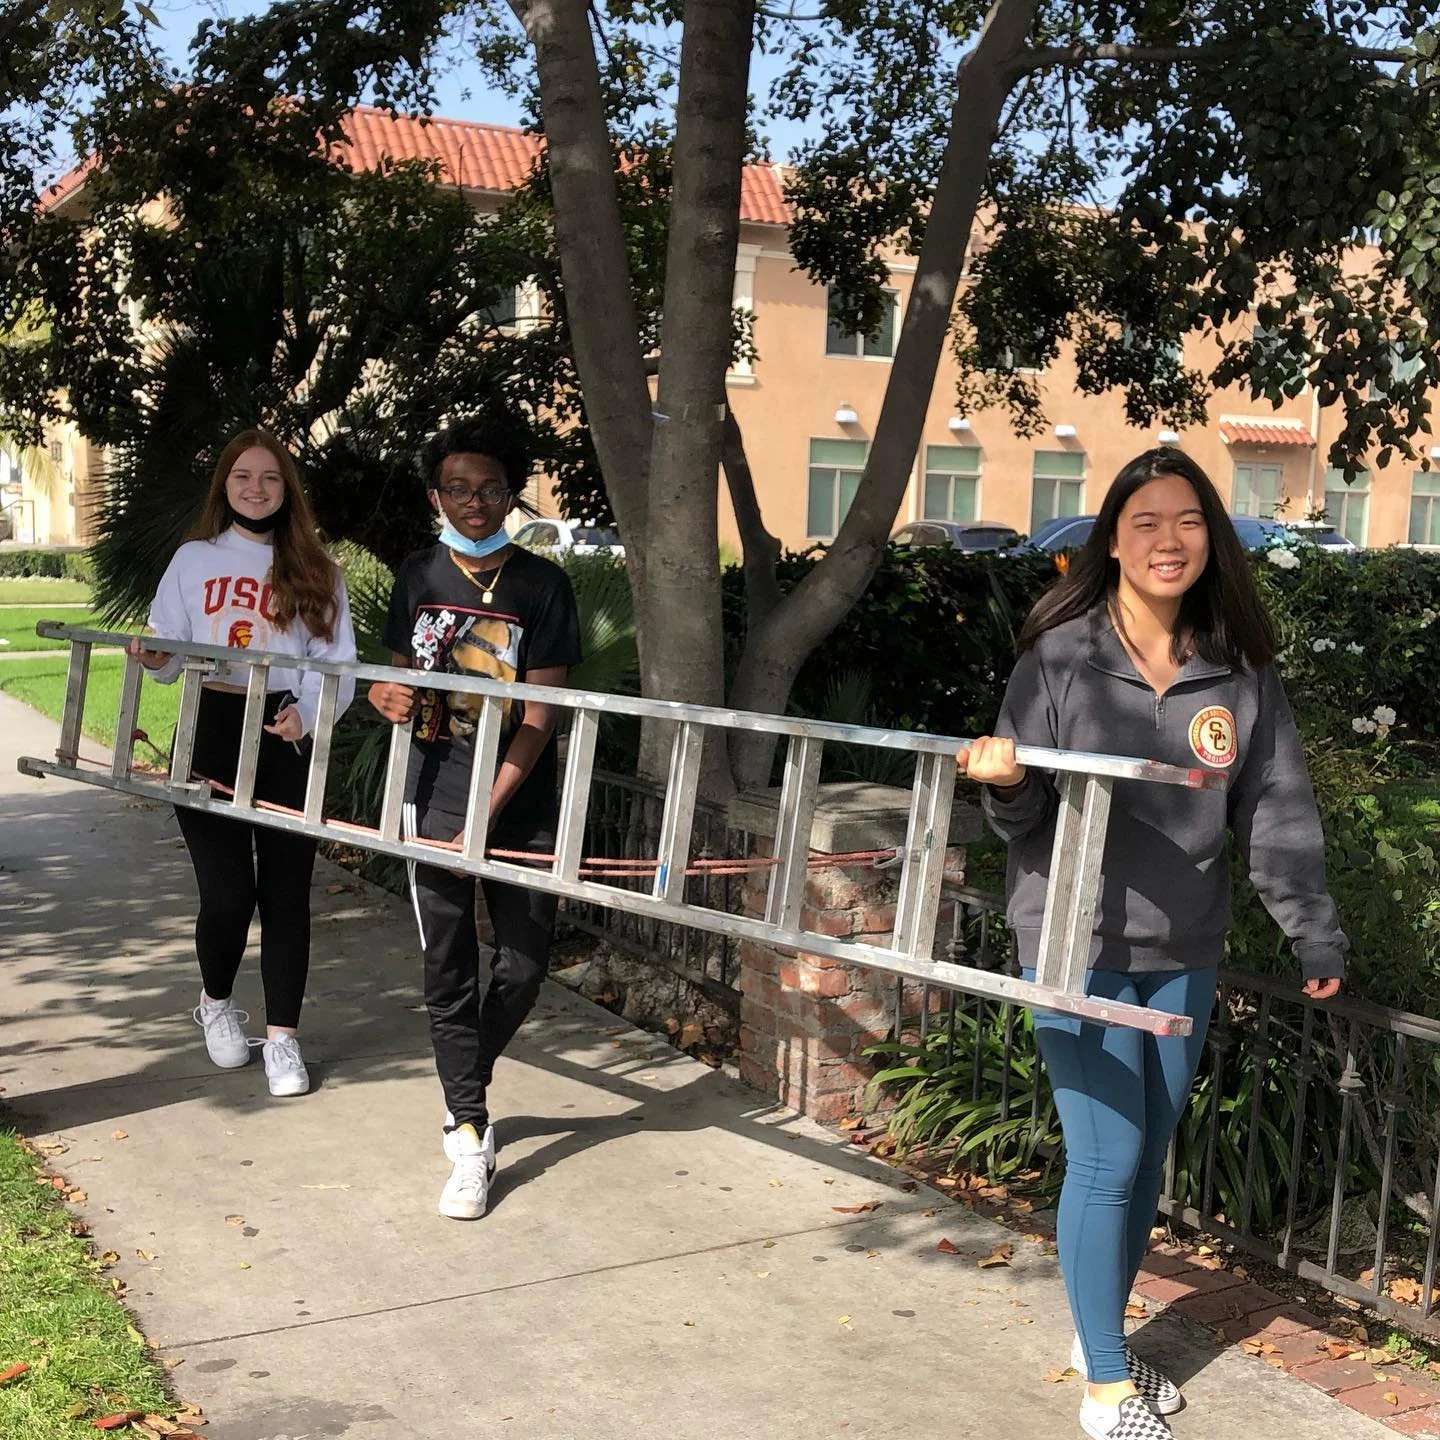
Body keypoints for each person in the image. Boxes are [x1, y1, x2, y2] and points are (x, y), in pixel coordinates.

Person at [957, 448, 1345, 1440]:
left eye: (1187, 521)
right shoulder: (1060, 656)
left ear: (1210, 539)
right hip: (1072, 938)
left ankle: (1101, 1340)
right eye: (1145, 522)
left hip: (1185, 949)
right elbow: (1025, 815)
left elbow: (1278, 812)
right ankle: (1104, 1390)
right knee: (1107, 1155)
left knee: (1148, 1155)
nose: (1167, 540)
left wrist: (1312, 931)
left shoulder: (1238, 669)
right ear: (1112, 541)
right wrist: (1004, 784)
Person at [368, 414, 581, 1221]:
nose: (475, 501)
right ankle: (468, 1132)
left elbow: (540, 715)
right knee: (447, 965)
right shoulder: (417, 574)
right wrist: (381, 696)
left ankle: (463, 1081)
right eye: (458, 487)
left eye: (490, 488)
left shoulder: (542, 585)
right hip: (431, 792)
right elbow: (395, 687)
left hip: (516, 803)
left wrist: (487, 815)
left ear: (511, 494)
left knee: (524, 966)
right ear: (436, 495)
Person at [129, 428, 356, 1098]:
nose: (255, 489)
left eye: (269, 478)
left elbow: (336, 667)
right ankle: (216, 1002)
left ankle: (283, 1038)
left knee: (285, 894)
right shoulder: (193, 560)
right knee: (227, 894)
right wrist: (155, 656)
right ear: (223, 486)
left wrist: (308, 715)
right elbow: (169, 650)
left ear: (287, 489)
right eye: (242, 478)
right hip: (211, 728)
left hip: (283, 732)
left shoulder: (319, 569)